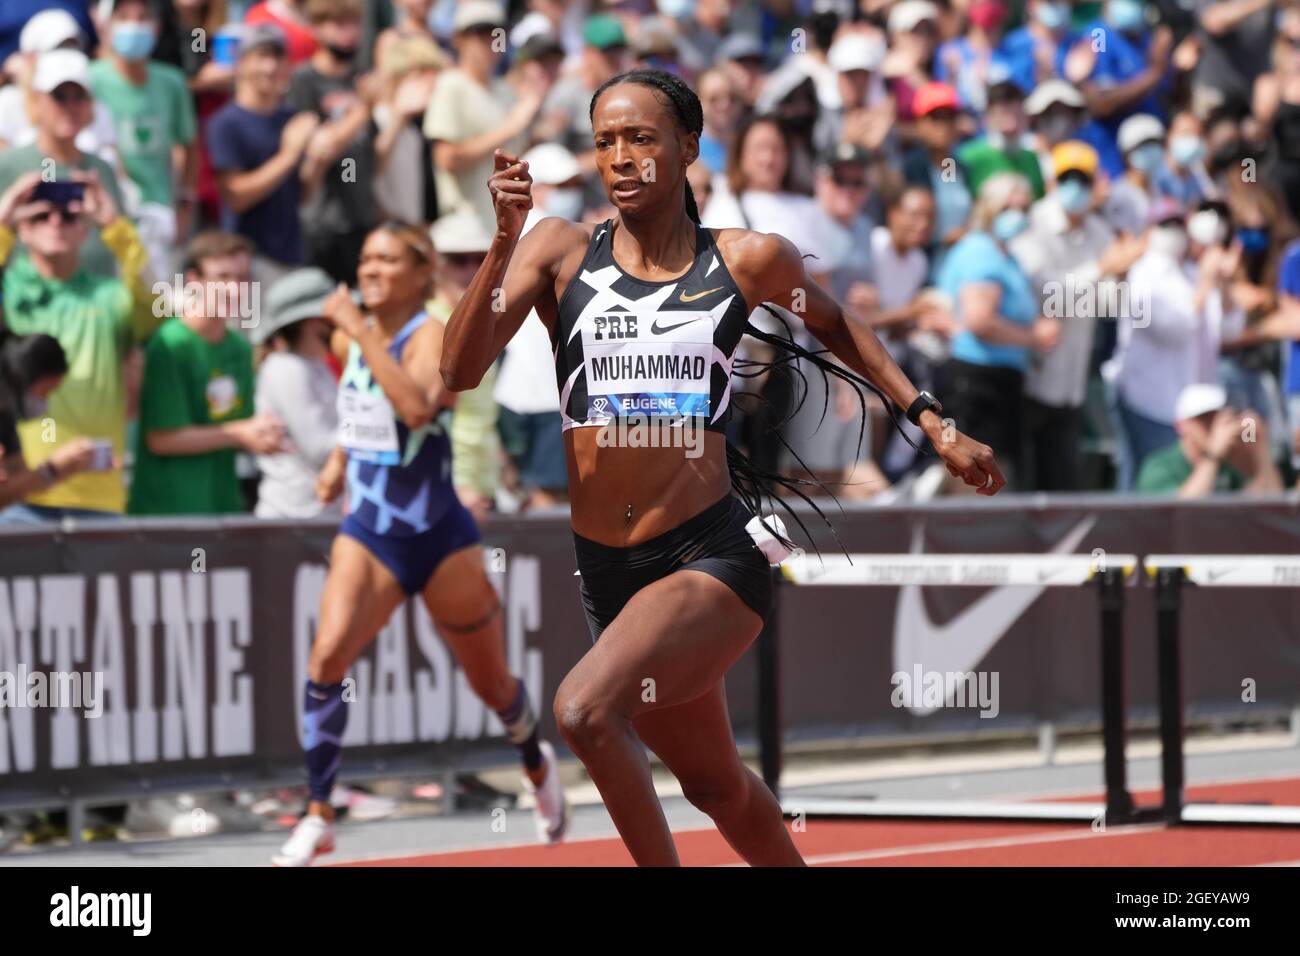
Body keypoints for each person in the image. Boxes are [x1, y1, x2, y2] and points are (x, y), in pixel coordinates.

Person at [439, 68, 1002, 867]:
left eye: (641, 138)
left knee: (584, 712)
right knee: (715, 787)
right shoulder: (558, 251)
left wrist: (931, 421)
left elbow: (843, 327)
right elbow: (456, 373)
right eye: (605, 142)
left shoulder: (746, 260)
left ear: (689, 147)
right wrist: (502, 243)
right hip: (607, 572)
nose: (621, 158)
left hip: (710, 558)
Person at [272, 221, 568, 866]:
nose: (370, 269)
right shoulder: (363, 338)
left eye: (385, 260)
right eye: (365, 257)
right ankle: (320, 812)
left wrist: (358, 330)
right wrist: (339, 460)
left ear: (420, 270)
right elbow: (367, 412)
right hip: (370, 530)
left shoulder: (431, 332)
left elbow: (416, 408)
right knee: (326, 658)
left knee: (491, 683)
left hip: (437, 536)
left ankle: (534, 760)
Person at [0, 168, 158, 518]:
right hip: (20, 493)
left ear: (85, 229)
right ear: (22, 229)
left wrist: (116, 228)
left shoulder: (110, 295)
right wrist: (2, 219)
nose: (56, 221)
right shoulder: (8, 293)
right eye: (41, 215)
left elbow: (158, 306)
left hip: (99, 495)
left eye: (70, 215)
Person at [1009, 141, 1144, 491]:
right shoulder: (1031, 225)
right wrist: (1103, 269)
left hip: (1071, 385)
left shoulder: (1098, 231)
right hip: (1029, 380)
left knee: (1062, 487)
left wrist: (1123, 273)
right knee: (1021, 484)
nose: (1075, 188)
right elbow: (1045, 294)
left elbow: (1107, 305)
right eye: (1067, 178)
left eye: (1082, 180)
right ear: (1052, 182)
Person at [128, 231, 288, 516]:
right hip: (167, 515)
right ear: (193, 281)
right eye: (222, 277)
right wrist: (239, 433)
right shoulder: (169, 345)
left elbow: (241, 426)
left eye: (242, 278)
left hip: (223, 507)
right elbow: (162, 439)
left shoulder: (239, 348)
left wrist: (265, 433)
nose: (235, 290)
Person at [1106, 198, 1246, 489]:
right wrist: (1207, 282)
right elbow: (1173, 329)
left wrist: (1223, 284)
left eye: (1177, 224)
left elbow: (1231, 330)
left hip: (1191, 403)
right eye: (1164, 225)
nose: (1172, 231)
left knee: (1191, 486)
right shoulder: (1141, 276)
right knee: (1146, 485)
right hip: (1150, 404)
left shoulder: (1193, 272)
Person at [936, 171, 1059, 492]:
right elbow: (980, 321)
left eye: (1023, 208)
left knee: (995, 481)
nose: (1016, 216)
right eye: (1008, 208)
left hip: (999, 383)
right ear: (990, 209)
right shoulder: (981, 250)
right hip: (976, 384)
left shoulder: (1007, 254)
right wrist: (1034, 337)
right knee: (973, 482)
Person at [206, 23, 321, 285]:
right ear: (242, 63)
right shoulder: (225, 123)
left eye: (277, 57)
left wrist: (316, 161)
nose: (270, 67)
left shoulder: (291, 119)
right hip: (246, 261)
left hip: (292, 254)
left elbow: (300, 194)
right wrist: (289, 155)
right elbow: (236, 196)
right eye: (261, 56)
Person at [424, 1, 551, 234]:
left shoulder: (505, 91)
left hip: (504, 226)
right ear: (459, 39)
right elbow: (447, 159)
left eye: (495, 34)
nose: (488, 42)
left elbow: (517, 155)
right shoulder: (450, 85)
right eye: (479, 33)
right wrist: (511, 127)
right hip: (465, 229)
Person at [89, 0, 197, 273]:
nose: (134, 25)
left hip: (160, 214)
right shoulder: (89, 79)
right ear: (107, 26)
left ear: (157, 27)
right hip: (109, 214)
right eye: (123, 17)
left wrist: (184, 205)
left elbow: (189, 145)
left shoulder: (172, 81)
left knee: (158, 301)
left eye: (143, 17)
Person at [0, 48, 128, 279]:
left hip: (100, 307)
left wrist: (111, 226)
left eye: (79, 96)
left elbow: (132, 262)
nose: (70, 106)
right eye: (59, 96)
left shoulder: (102, 169)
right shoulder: (7, 165)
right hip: (24, 308)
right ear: (36, 101)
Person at [286, 0, 379, 284]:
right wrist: (362, 110)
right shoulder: (305, 79)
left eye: (354, 24)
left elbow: (373, 152)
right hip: (324, 222)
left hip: (362, 218)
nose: (350, 33)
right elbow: (318, 149)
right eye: (339, 24)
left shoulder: (359, 80)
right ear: (315, 29)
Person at [253, 267, 340, 519]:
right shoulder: (286, 368)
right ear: (314, 322)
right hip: (292, 517)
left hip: (320, 513)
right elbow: (319, 448)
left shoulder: (317, 364)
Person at [0, 332, 98, 514]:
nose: (44, 403)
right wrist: (53, 469)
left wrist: (67, 466)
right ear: (18, 378)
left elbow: (14, 488)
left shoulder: (6, 420)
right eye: (46, 391)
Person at [1136, 383, 1282, 495]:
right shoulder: (1159, 466)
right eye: (1203, 418)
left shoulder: (1230, 461)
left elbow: (1269, 506)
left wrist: (1258, 447)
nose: (1213, 425)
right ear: (1180, 425)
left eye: (1218, 417)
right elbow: (1180, 512)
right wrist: (1213, 454)